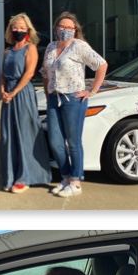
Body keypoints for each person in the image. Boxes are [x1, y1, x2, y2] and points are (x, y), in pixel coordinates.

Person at [41, 12, 107, 198]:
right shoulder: (51, 47)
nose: (65, 30)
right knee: (55, 141)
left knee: (73, 142)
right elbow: (45, 73)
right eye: (62, 27)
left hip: (73, 100)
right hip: (54, 99)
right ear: (56, 29)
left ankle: (76, 182)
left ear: (75, 30)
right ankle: (66, 177)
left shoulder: (79, 46)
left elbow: (101, 65)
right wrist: (48, 95)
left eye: (70, 28)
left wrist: (92, 91)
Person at [0, 13, 51, 194]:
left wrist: (13, 92)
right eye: (15, 27)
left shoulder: (31, 49)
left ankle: (25, 177)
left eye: (22, 27)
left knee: (25, 134)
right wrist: (3, 91)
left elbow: (29, 74)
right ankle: (10, 175)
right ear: (10, 29)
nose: (18, 30)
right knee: (8, 136)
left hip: (22, 94)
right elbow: (3, 75)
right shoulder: (7, 51)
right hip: (9, 97)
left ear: (28, 30)